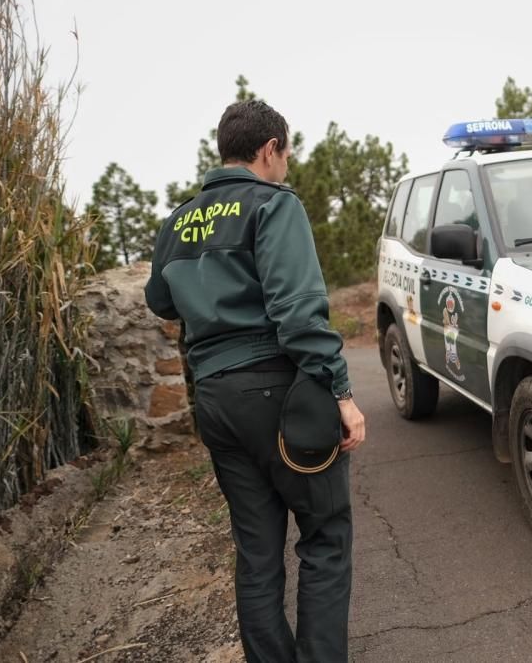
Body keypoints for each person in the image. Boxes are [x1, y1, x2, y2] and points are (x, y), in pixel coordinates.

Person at [144, 99, 366, 662]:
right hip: (279, 392)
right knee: (325, 535)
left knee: (257, 551)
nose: (286, 165)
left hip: (216, 400)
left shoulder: (178, 221)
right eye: (286, 154)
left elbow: (160, 301)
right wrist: (341, 393)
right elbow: (298, 313)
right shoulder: (273, 204)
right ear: (270, 149)